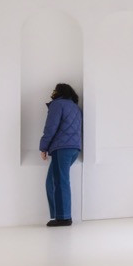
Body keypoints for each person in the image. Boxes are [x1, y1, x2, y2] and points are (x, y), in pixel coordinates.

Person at [40, 83, 83, 227]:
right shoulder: (75, 107)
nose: (53, 92)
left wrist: (43, 147)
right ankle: (58, 215)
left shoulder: (57, 105)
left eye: (55, 90)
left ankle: (64, 218)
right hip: (74, 148)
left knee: (60, 181)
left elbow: (50, 128)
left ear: (60, 92)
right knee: (52, 180)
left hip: (62, 148)